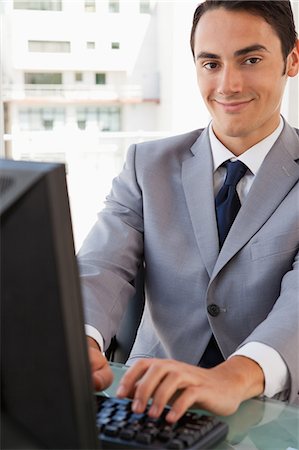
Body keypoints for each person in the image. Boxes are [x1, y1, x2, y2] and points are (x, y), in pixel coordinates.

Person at [78, 0, 299, 423]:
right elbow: (101, 264)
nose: (228, 84)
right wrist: (79, 339)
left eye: (250, 59)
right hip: (147, 402)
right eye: (211, 63)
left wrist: (233, 377)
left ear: (292, 59)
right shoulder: (148, 164)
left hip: (276, 414)